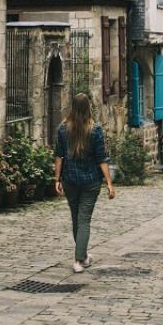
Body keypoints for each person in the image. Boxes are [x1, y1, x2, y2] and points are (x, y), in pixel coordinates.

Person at [54, 93, 115, 273]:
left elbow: (59, 155)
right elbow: (101, 159)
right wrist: (109, 183)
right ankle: (79, 259)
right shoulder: (94, 130)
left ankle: (83, 256)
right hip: (90, 181)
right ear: (88, 107)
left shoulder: (63, 129)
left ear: (72, 107)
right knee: (83, 220)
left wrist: (57, 178)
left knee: (77, 219)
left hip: (70, 180)